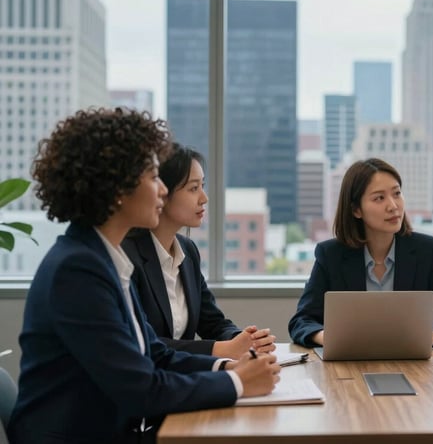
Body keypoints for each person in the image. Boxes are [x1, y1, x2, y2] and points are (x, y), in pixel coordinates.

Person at [8, 108, 281, 444]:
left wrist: (228, 369)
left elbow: (155, 354)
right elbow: (141, 390)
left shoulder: (103, 257)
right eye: (154, 178)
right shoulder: (77, 270)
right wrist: (238, 383)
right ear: (117, 187)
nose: (163, 191)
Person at [288, 158, 433, 347]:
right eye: (379, 198)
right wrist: (328, 338)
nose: (393, 206)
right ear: (356, 210)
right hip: (350, 363)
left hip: (412, 362)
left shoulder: (426, 250)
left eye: (397, 194)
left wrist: (428, 337)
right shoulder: (331, 255)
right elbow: (301, 321)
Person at [122, 143, 276, 359]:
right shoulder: (127, 256)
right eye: (194, 188)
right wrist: (220, 350)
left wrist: (243, 340)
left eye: (202, 186)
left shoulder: (188, 251)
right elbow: (145, 344)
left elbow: (211, 321)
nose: (204, 198)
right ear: (162, 192)